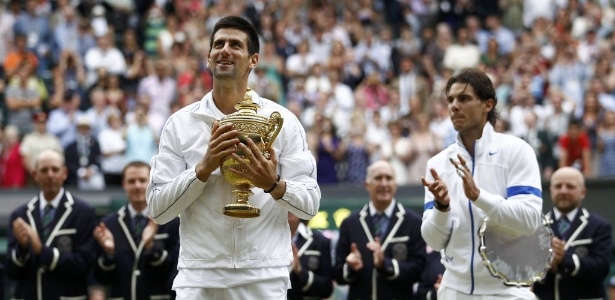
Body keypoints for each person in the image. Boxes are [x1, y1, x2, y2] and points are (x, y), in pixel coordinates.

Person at [146, 16, 320, 300]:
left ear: (253, 60)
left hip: (264, 276)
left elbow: (310, 205)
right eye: (219, 44)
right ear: (208, 57)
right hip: (199, 277)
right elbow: (157, 209)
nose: (225, 50)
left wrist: (274, 185)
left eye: (235, 45)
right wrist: (201, 170)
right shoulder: (179, 124)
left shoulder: (284, 122)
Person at [420, 68, 543, 299]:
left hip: (509, 291)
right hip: (453, 291)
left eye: (464, 98)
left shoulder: (517, 151)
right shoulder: (437, 163)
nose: (454, 106)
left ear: (488, 104)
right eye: (450, 100)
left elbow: (529, 220)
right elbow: (433, 241)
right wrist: (442, 207)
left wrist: (478, 196)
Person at [6, 149, 97, 299]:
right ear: (35, 175)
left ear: (65, 173)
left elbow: (85, 265)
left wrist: (42, 250)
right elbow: (11, 272)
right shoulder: (20, 216)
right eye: (44, 170)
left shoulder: (84, 213)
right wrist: (22, 249)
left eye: (55, 169)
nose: (50, 175)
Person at [334, 160, 426, 299]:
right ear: (367, 185)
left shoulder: (413, 222)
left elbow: (420, 270)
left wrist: (386, 264)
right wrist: (351, 267)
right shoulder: (350, 223)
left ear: (395, 184)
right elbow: (338, 275)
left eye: (388, 178)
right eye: (378, 178)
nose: (384, 184)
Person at [93, 161, 180, 299]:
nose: (137, 185)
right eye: (132, 181)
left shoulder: (170, 221)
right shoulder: (109, 224)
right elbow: (102, 278)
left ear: (152, 182)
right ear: (123, 184)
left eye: (142, 180)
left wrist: (152, 248)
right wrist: (109, 254)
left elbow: (174, 273)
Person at [532, 167, 612, 300]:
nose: (563, 191)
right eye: (558, 186)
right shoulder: (535, 226)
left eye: (570, 186)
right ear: (550, 190)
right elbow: (525, 272)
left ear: (583, 192)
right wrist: (547, 266)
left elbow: (601, 269)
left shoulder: (599, 226)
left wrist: (565, 259)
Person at [287, 212, 333, 300]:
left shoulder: (319, 241)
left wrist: (300, 271)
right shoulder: (265, 240)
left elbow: (326, 289)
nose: (288, 208)